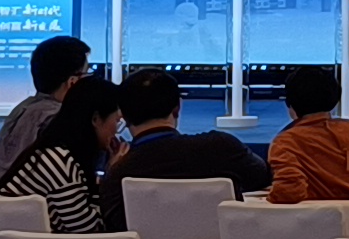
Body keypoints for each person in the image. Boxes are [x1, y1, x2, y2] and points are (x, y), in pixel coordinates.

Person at [104, 66, 271, 195]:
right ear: (177, 108)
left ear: (123, 115)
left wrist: (109, 173)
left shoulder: (120, 173)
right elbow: (264, 179)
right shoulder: (222, 148)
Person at [0, 77, 127, 234]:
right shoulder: (60, 161)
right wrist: (112, 175)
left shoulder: (56, 152)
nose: (116, 130)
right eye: (117, 121)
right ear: (95, 119)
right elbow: (88, 232)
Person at [0, 35, 93, 194]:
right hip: (28, 206)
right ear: (72, 82)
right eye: (86, 74)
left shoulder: (22, 109)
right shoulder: (58, 119)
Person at [262, 65, 349, 205]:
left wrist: (265, 201)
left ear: (289, 103)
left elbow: (289, 191)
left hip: (316, 216)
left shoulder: (286, 142)